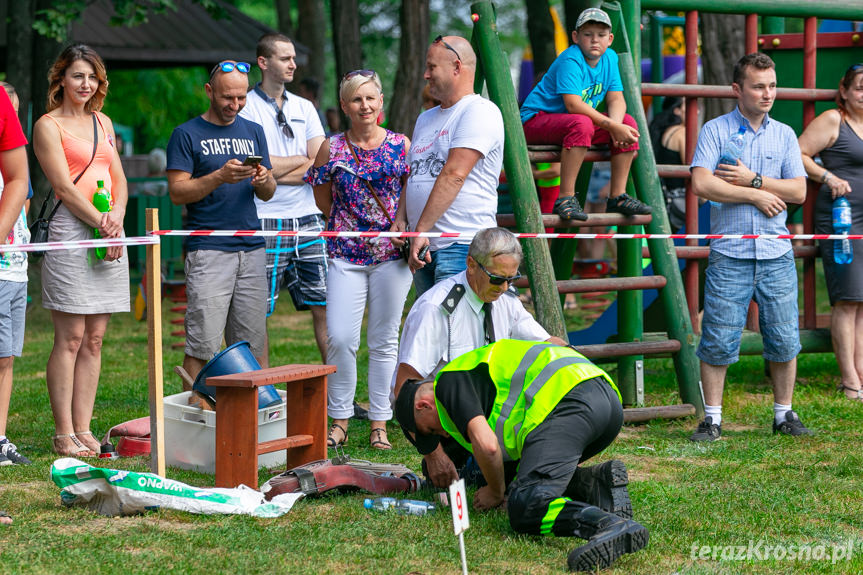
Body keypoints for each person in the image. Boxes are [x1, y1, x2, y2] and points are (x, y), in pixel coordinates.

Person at [395, 339, 648, 572]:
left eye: (430, 429)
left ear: (424, 405)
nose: (442, 435)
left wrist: (495, 492)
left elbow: (488, 446)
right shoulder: (473, 372)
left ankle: (608, 525)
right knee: (523, 480)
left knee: (525, 504)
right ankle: (595, 484)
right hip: (606, 402)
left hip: (567, 401)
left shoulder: (448, 383)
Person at [689, 53, 810, 441]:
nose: (767, 93)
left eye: (772, 85)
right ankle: (712, 420)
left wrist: (754, 181)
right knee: (718, 338)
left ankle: (783, 415)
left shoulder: (786, 134)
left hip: (777, 253)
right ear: (737, 89)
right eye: (759, 86)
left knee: (785, 337)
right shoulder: (714, 130)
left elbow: (799, 191)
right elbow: (702, 185)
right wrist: (754, 197)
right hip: (730, 251)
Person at [393, 227, 568, 485]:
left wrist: (571, 362)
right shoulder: (436, 310)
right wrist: (433, 454)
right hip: (449, 429)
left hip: (496, 419)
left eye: (512, 278)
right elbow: (403, 390)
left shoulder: (506, 301)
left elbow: (548, 345)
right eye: (497, 278)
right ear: (471, 264)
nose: (505, 287)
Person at [306, 70, 412, 450]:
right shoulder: (331, 147)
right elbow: (322, 197)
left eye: (370, 98)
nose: (364, 105)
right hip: (344, 254)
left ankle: (380, 423)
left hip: (390, 256)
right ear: (346, 106)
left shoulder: (401, 144)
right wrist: (345, 221)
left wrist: (400, 220)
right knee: (341, 337)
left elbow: (408, 191)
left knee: (384, 340)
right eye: (356, 99)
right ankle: (341, 418)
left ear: (381, 101)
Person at [32, 44, 130, 457]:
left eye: (92, 77)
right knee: (70, 337)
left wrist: (117, 219)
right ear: (61, 80)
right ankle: (63, 431)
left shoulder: (104, 122)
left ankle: (85, 428)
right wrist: (100, 222)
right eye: (77, 76)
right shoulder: (47, 126)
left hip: (108, 227)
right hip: (71, 230)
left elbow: (118, 178)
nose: (85, 84)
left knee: (95, 338)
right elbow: (63, 188)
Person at [166, 59, 276, 382]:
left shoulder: (253, 131)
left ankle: (256, 421)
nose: (236, 105)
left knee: (255, 347)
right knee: (202, 346)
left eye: (241, 98)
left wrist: (264, 179)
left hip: (252, 248)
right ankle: (194, 417)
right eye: (228, 97)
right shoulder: (186, 134)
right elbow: (177, 192)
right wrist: (219, 177)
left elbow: (268, 192)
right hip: (209, 249)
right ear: (209, 91)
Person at [239, 33, 328, 365]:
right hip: (264, 218)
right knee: (257, 311)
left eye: (294, 58)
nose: (294, 64)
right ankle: (263, 394)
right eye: (285, 58)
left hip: (308, 217)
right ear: (263, 62)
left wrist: (274, 166)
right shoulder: (245, 107)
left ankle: (337, 395)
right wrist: (297, 163)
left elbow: (320, 161)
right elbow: (255, 167)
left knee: (325, 304)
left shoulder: (305, 107)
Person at [396, 35, 504, 296]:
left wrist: (419, 230)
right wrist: (402, 218)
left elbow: (454, 175)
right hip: (424, 246)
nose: (425, 74)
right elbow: (415, 173)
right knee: (432, 329)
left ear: (456, 67)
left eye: (432, 67)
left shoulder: (480, 111)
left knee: (457, 331)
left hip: (462, 245)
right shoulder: (425, 118)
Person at [520, 7, 651, 222]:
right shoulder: (570, 60)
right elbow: (573, 104)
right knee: (581, 123)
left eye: (600, 35)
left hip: (571, 123)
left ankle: (617, 195)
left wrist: (616, 127)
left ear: (610, 39)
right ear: (576, 37)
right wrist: (611, 126)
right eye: (588, 34)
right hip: (536, 120)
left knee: (628, 123)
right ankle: (565, 197)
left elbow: (616, 99)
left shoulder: (610, 58)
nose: (594, 40)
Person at [799, 63, 863, 401]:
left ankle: (861, 376)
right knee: (848, 297)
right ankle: (849, 381)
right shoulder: (832, 120)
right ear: (845, 90)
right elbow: (799, 152)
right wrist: (827, 177)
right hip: (842, 217)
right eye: (860, 87)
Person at [0, 88, 31, 465]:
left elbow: (20, 188)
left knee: (6, 357)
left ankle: (1, 436)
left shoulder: (14, 168)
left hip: (15, 268)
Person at [649, 97, 689, 231]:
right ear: (677, 111)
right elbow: (694, 169)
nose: (698, 110)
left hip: (666, 201)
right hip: (684, 203)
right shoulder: (681, 132)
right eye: (689, 105)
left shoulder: (663, 131)